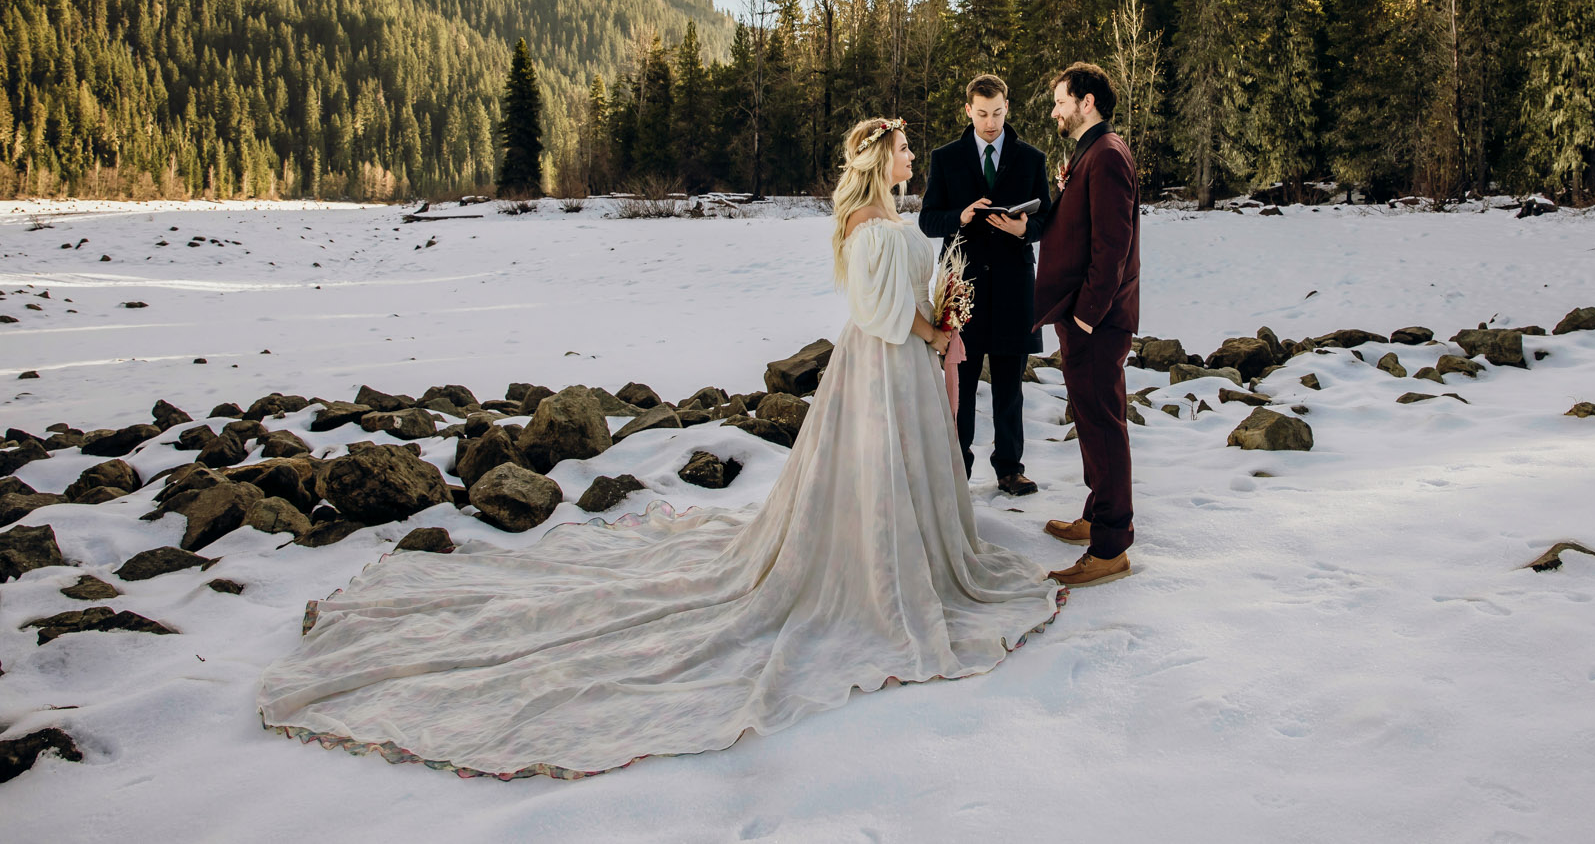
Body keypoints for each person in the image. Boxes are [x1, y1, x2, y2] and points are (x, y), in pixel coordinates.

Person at [256, 118, 1062, 779]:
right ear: (881, 157)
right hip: (881, 368)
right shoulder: (861, 223)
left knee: (903, 477)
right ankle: (876, 570)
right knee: (867, 475)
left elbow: (913, 286)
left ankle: (914, 550)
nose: (915, 155)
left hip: (908, 372)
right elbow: (878, 307)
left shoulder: (895, 213)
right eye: (905, 147)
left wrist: (939, 313)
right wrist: (934, 327)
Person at [1033, 63, 1141, 589]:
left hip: (1095, 321)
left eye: (1060, 101)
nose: (1055, 110)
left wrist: (1085, 315)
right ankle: (1098, 516)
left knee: (1102, 425)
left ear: (1088, 101)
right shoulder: (1089, 154)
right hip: (1083, 318)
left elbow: (1113, 248)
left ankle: (1111, 547)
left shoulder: (1108, 155)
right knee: (1093, 420)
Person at [918, 74, 1053, 495]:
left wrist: (1024, 229)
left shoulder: (1031, 159)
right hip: (963, 287)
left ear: (1007, 107)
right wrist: (959, 216)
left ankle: (1010, 469)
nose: (990, 122)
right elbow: (927, 219)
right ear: (968, 110)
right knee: (960, 381)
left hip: (1014, 287)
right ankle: (956, 470)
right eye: (982, 114)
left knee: (1010, 387)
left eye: (997, 113)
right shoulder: (946, 158)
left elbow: (1049, 221)